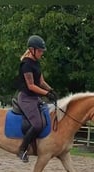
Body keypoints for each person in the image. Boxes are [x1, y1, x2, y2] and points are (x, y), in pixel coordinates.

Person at [16, 35, 58, 163]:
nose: (41, 53)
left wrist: (51, 90)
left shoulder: (36, 62)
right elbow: (31, 85)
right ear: (32, 50)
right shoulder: (26, 65)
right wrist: (46, 94)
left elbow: (41, 81)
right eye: (39, 51)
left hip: (34, 97)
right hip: (26, 98)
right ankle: (22, 149)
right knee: (38, 124)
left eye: (42, 51)